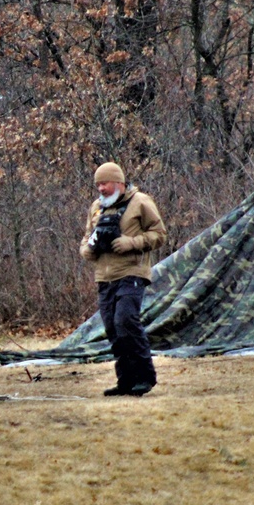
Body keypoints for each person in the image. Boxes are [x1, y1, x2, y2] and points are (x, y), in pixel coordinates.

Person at [80, 162, 167, 396]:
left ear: (119, 182)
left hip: (132, 273)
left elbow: (159, 235)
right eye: (98, 184)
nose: (101, 188)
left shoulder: (140, 202)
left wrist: (132, 242)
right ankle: (125, 381)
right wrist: (87, 250)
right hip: (104, 276)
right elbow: (87, 237)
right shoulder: (96, 208)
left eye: (105, 183)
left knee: (126, 321)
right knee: (112, 328)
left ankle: (145, 377)